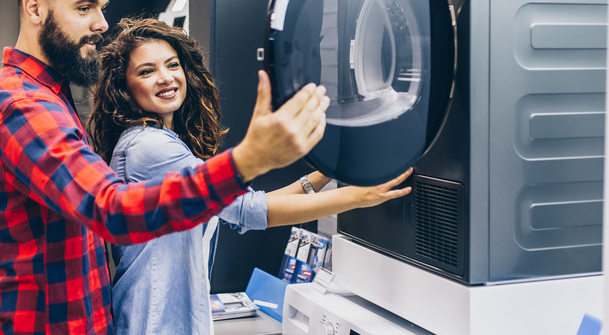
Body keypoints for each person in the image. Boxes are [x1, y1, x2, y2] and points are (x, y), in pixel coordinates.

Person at [0, 0, 330, 335]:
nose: (101, 23)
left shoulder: (50, 96)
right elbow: (113, 211)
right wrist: (247, 161)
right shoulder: (22, 106)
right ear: (35, 8)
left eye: (101, 8)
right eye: (85, 8)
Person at [87, 17, 413, 335]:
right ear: (124, 89)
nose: (165, 77)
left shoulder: (159, 141)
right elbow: (246, 212)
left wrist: (322, 176)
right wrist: (355, 197)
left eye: (172, 65)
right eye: (147, 71)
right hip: (154, 321)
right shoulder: (150, 146)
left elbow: (241, 204)